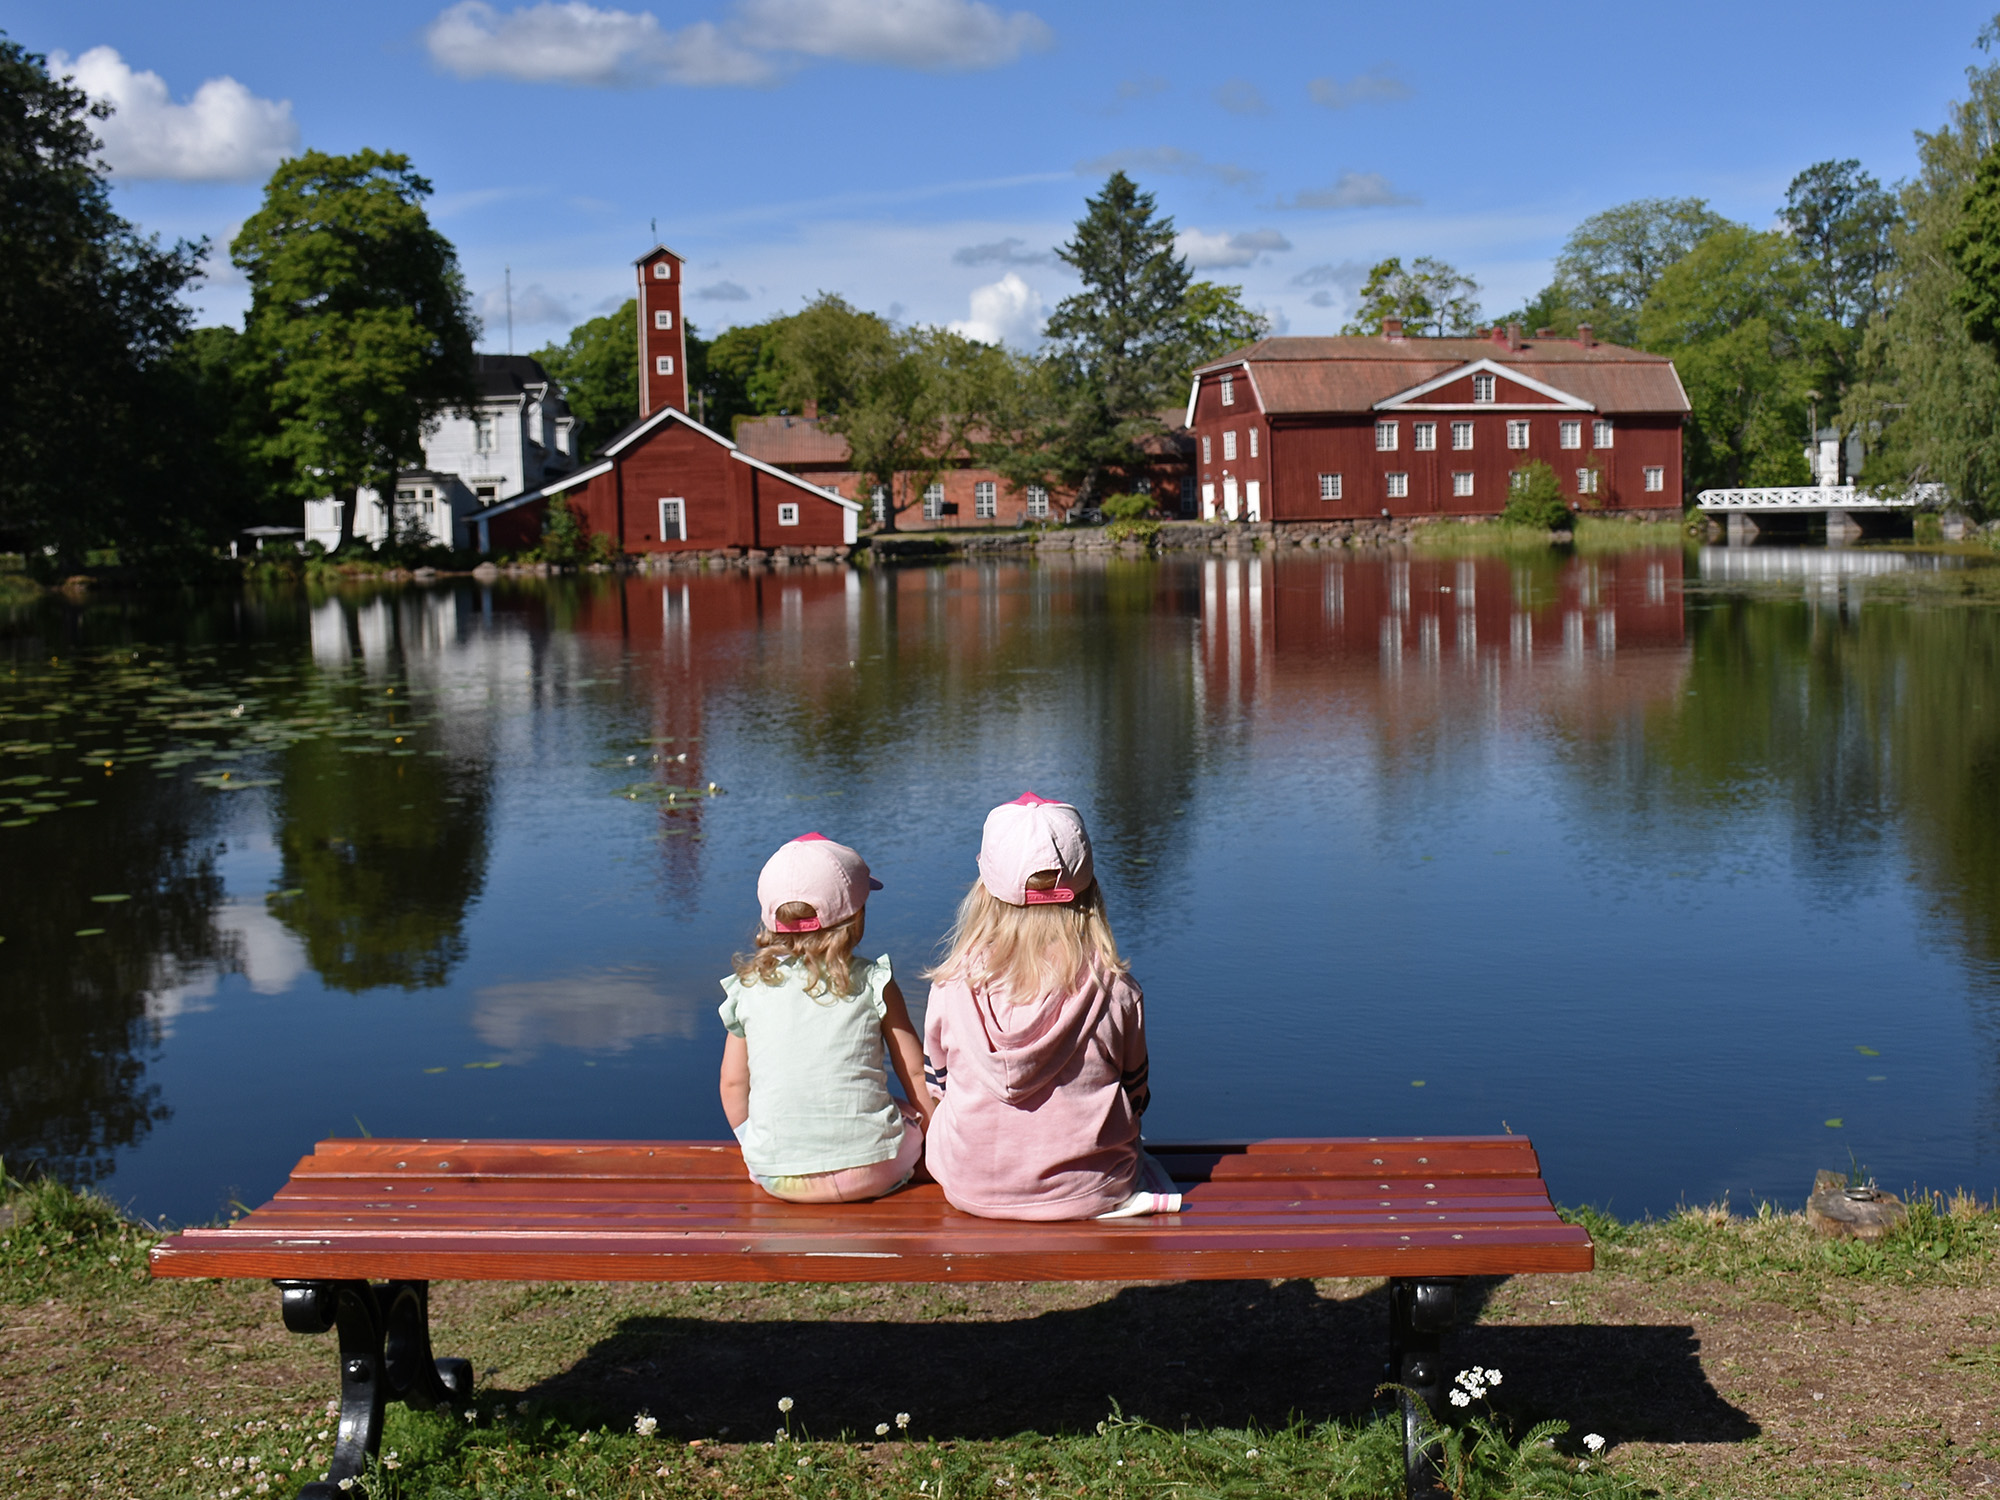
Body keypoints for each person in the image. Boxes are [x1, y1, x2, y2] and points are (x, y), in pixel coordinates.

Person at [921, 793, 1180, 1220]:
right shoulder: (1115, 989)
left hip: (969, 1187)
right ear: (1090, 888)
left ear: (984, 890)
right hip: (1092, 1188)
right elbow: (1136, 1097)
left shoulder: (951, 986)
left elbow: (939, 1087)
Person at [718, 833, 929, 1202]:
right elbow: (914, 1073)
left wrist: (757, 1149)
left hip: (778, 1177)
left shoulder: (748, 987)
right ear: (856, 916)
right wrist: (934, 1133)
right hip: (874, 1172)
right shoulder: (874, 981)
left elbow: (734, 1084)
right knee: (911, 1114)